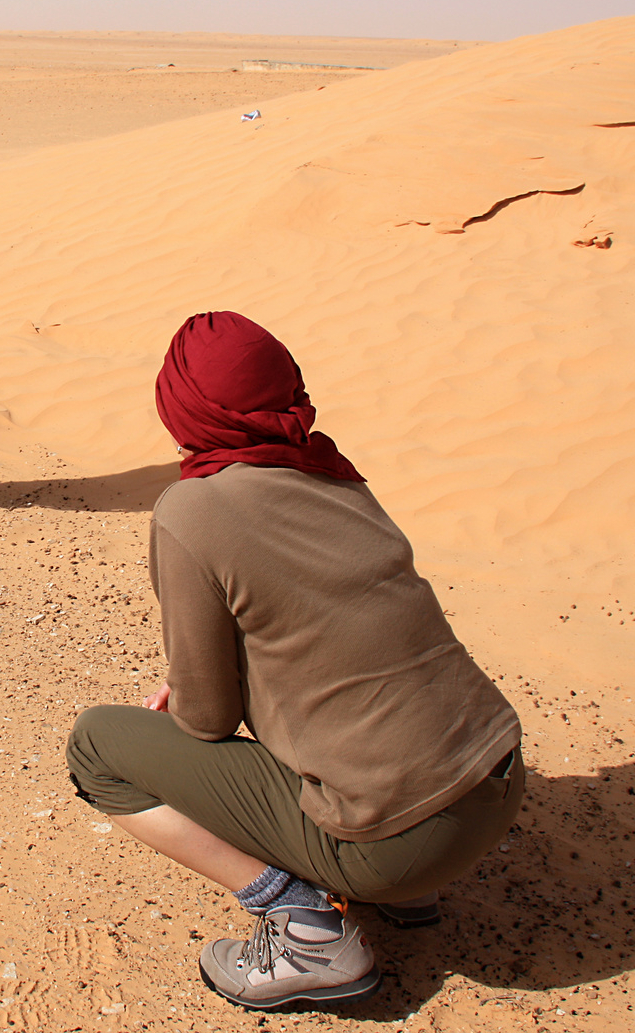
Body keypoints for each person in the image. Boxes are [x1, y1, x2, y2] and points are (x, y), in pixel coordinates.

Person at [65, 311, 523, 1010]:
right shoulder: (333, 472)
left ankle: (305, 930)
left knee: (96, 746)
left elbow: (208, 720)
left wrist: (197, 684)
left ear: (182, 407)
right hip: (497, 779)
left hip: (397, 841)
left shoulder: (191, 510)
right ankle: (408, 896)